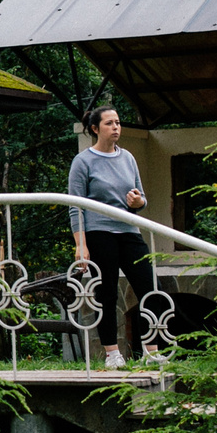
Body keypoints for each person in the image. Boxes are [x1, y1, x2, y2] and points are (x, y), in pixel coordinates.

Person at [67, 105, 152, 367]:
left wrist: (137, 202)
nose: (116, 127)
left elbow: (142, 199)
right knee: (107, 292)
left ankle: (152, 350)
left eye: (117, 122)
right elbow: (75, 206)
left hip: (129, 229)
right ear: (95, 129)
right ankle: (112, 353)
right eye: (109, 123)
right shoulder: (83, 161)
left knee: (148, 288)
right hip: (99, 231)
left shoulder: (128, 157)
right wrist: (80, 245)